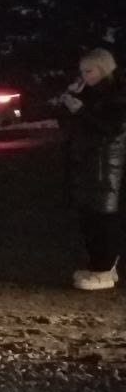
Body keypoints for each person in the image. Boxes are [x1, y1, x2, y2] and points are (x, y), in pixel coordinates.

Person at [56, 47, 126, 289]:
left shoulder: (117, 92)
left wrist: (81, 110)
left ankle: (104, 270)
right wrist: (68, 100)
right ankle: (99, 266)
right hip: (87, 163)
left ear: (103, 68)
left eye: (89, 70)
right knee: (88, 216)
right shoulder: (89, 92)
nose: (84, 76)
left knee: (102, 217)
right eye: (82, 71)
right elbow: (65, 123)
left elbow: (113, 127)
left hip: (106, 164)